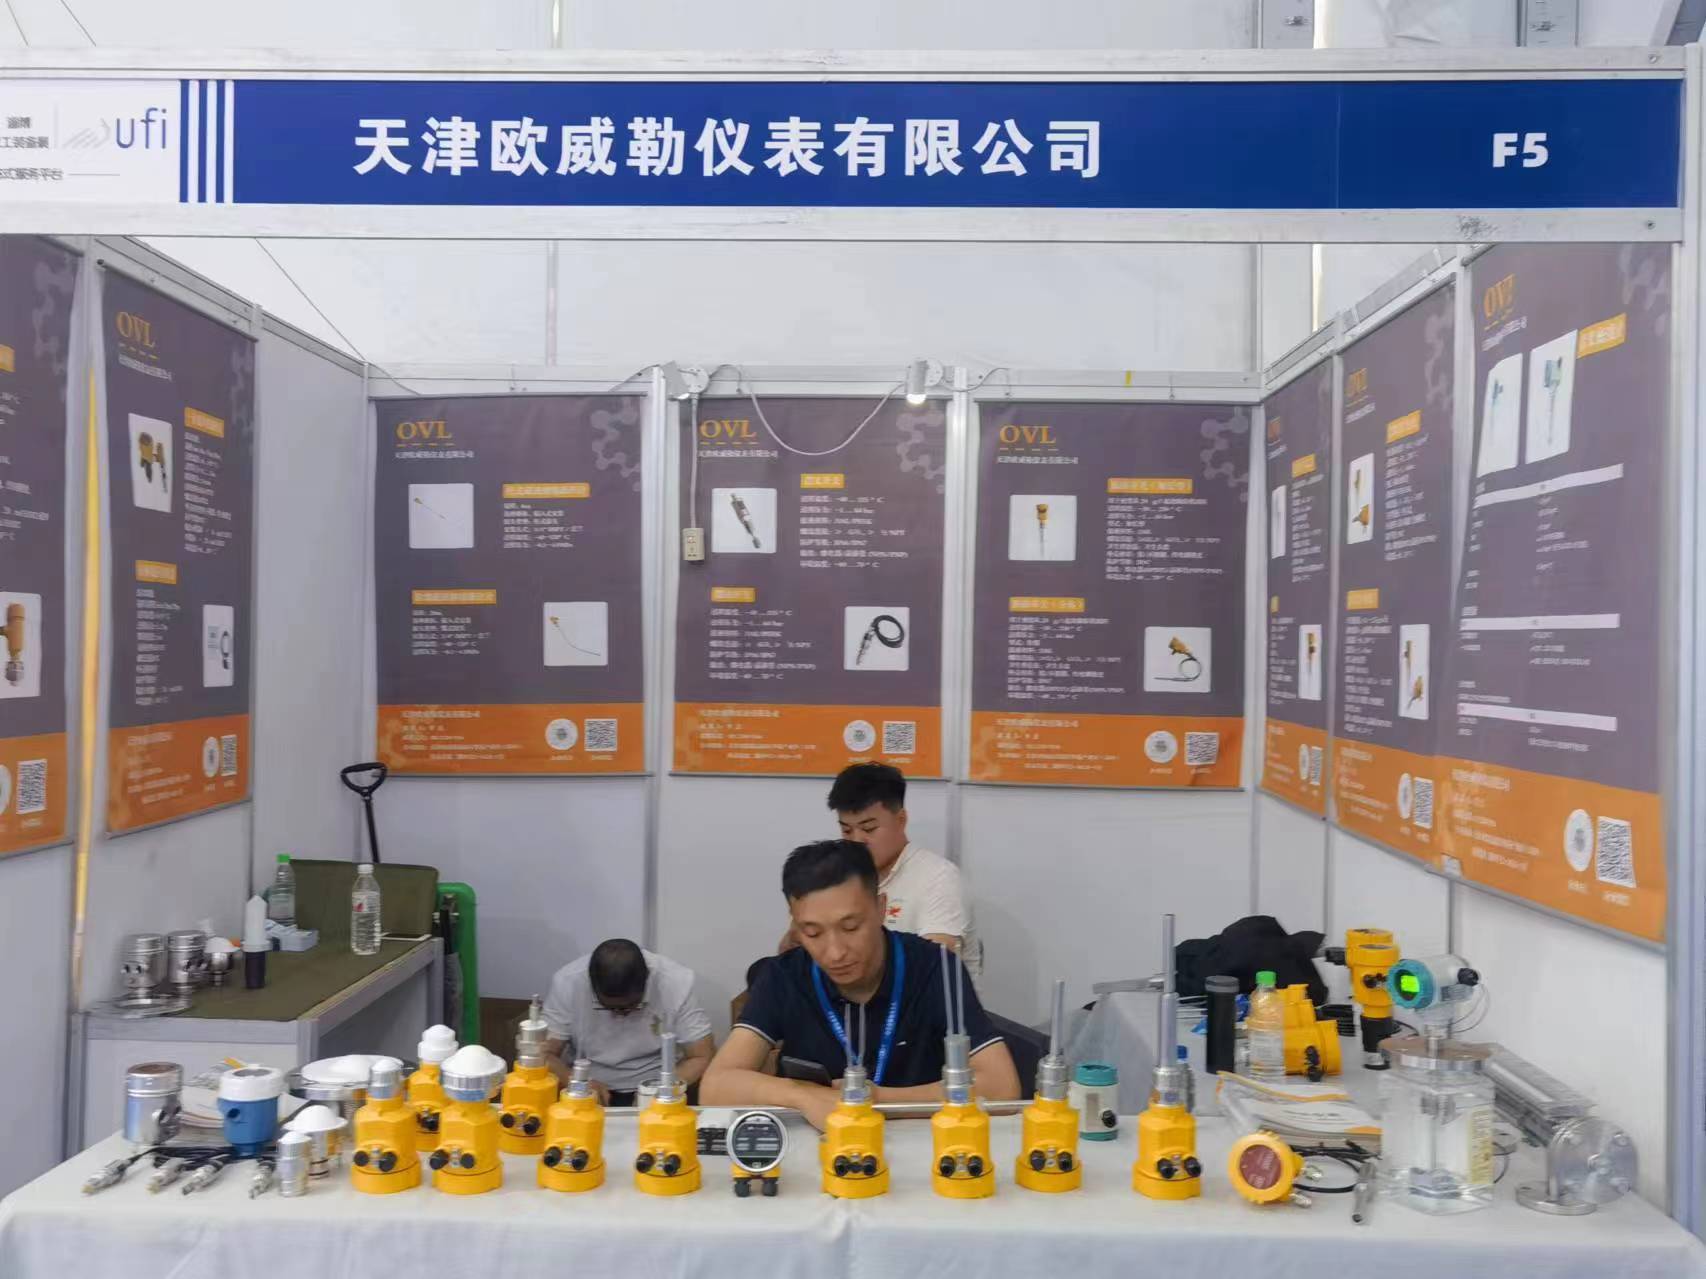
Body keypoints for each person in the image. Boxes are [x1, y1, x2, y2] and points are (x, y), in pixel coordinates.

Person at [702, 840, 1019, 1130]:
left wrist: (876, 1099)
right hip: (819, 1148)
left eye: (851, 927)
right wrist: (803, 1096)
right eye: (813, 933)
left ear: (881, 909)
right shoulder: (784, 976)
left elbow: (1002, 1087)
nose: (835, 952)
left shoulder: (935, 968)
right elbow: (715, 1087)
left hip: (919, 1144)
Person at [781, 762, 981, 976]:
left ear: (901, 820)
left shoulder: (938, 878)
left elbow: (933, 967)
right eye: (847, 830)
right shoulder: (839, 877)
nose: (857, 840)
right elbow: (791, 957)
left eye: (869, 828)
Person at [541, 938, 714, 1103]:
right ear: (591, 985)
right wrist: (576, 1083)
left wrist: (662, 1090)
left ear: (647, 980)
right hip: (586, 1084)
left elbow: (701, 1056)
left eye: (631, 1006)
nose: (620, 1015)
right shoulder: (568, 982)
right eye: (608, 1007)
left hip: (657, 1082)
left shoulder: (675, 982)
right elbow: (544, 1053)